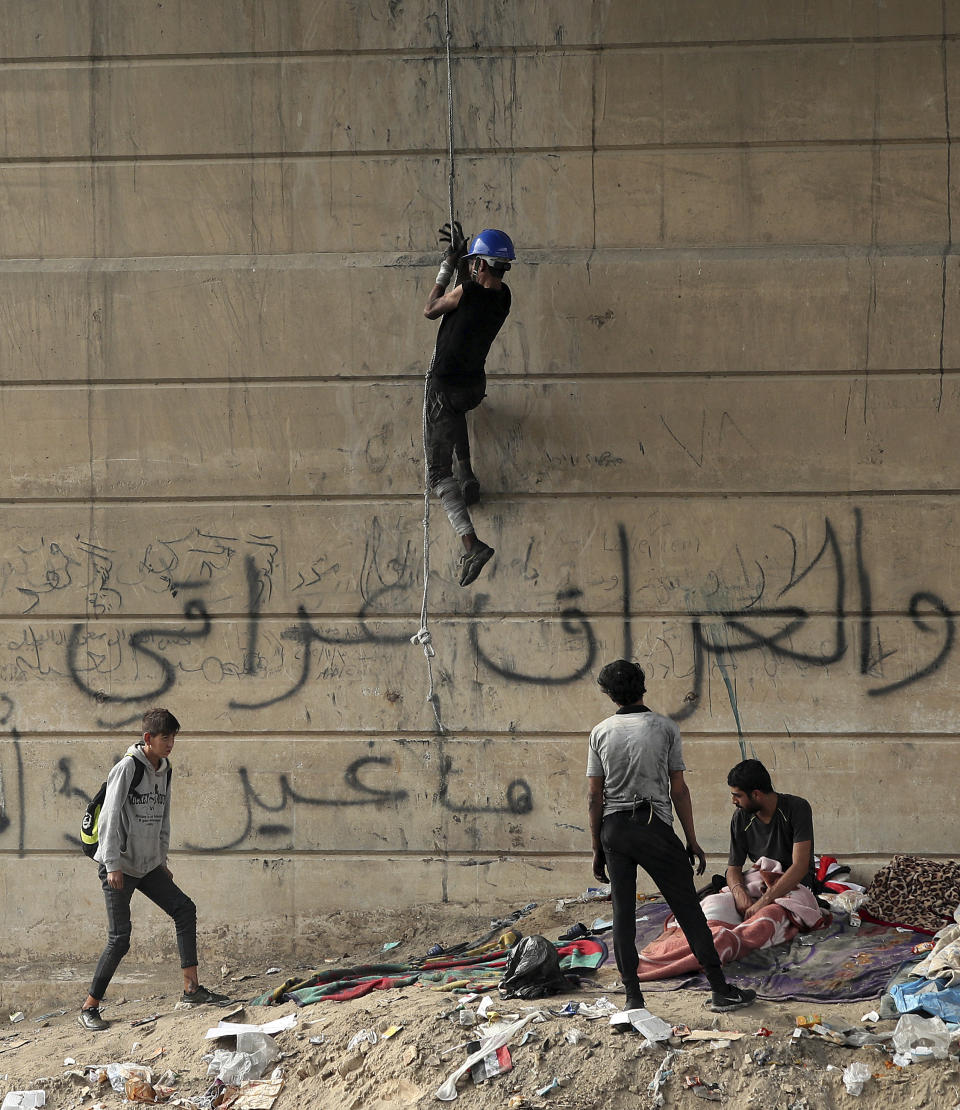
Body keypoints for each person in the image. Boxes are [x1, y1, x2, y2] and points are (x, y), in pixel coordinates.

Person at [587, 659, 757, 1013]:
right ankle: (719, 988)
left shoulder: (600, 732)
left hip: (614, 828)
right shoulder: (664, 728)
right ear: (643, 686)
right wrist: (691, 839)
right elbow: (678, 788)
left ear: (609, 694)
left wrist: (597, 847)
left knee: (623, 912)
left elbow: (594, 796)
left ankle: (633, 997)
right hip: (654, 825)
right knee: (687, 908)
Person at [78, 707, 227, 1031]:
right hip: (118, 867)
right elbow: (109, 818)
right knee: (120, 939)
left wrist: (161, 860)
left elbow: (163, 817)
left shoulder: (165, 769)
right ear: (148, 738)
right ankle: (89, 1007)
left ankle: (192, 990)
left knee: (184, 909)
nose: (171, 742)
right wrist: (113, 865)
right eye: (165, 737)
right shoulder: (128, 768)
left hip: (146, 866)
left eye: (174, 737)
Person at [422, 221, 515, 586]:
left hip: (445, 388)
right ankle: (470, 476)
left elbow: (431, 309)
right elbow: (471, 296)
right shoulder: (503, 297)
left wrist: (447, 266)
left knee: (437, 475)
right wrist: (464, 258)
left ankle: (472, 544)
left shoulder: (467, 292)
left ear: (481, 266)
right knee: (457, 413)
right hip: (473, 387)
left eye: (475, 262)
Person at [725, 758, 817, 919]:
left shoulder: (797, 808)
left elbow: (800, 866)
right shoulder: (740, 817)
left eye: (737, 796)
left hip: (794, 885)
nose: (734, 801)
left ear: (756, 794)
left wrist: (764, 901)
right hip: (759, 880)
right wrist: (740, 894)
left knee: (771, 915)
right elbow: (733, 869)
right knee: (717, 905)